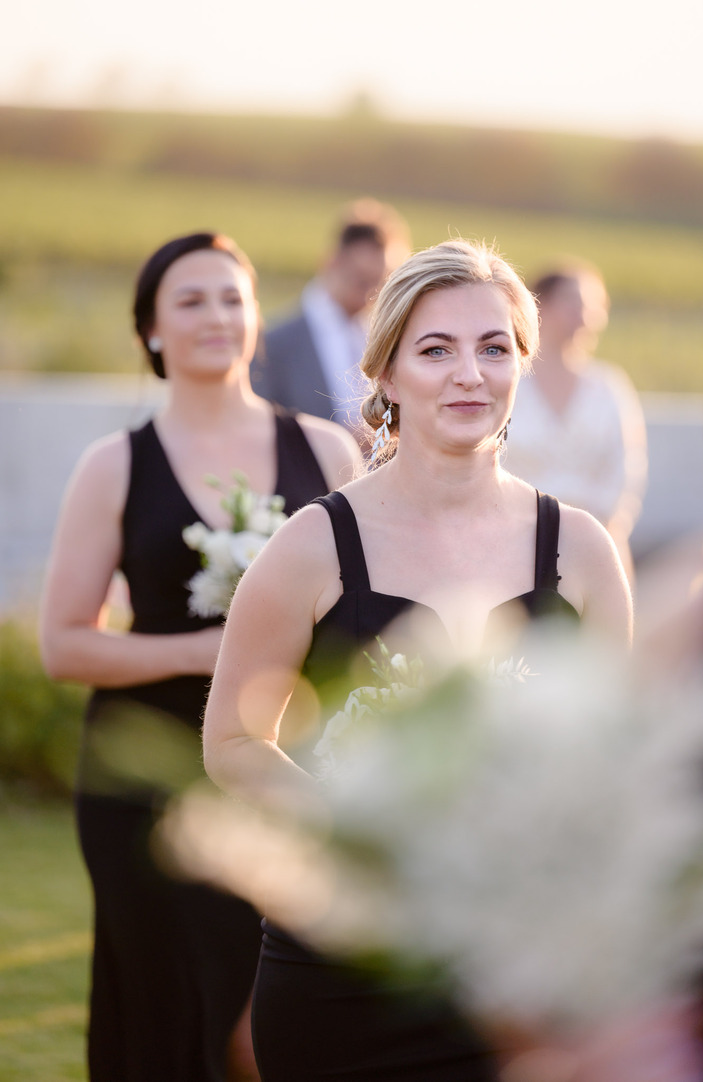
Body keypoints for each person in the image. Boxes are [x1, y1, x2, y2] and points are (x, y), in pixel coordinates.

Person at [203, 239, 632, 1080]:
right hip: (341, 970)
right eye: (436, 350)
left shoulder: (580, 551)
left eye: (494, 347)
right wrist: (362, 826)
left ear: (520, 367)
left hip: (516, 977)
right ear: (387, 375)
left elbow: (615, 756)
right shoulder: (313, 544)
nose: (469, 373)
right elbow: (231, 742)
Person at [38, 232, 361, 1082]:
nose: (218, 315)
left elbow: (360, 614)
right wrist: (210, 645)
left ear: (257, 318)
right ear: (149, 330)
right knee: (159, 996)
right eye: (191, 300)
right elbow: (63, 644)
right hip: (141, 777)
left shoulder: (329, 452)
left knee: (262, 1001)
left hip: (279, 768)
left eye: (233, 297)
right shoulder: (114, 466)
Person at [502, 261, 647, 578]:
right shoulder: (508, 382)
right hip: (513, 544)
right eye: (572, 302)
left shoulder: (609, 386)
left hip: (598, 545)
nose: (584, 315)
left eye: (594, 306)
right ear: (538, 306)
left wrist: (600, 533)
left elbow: (626, 469)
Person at [250, 197, 411, 431]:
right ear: (332, 262)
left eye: (381, 282)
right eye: (361, 280)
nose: (371, 294)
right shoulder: (272, 343)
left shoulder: (389, 339)